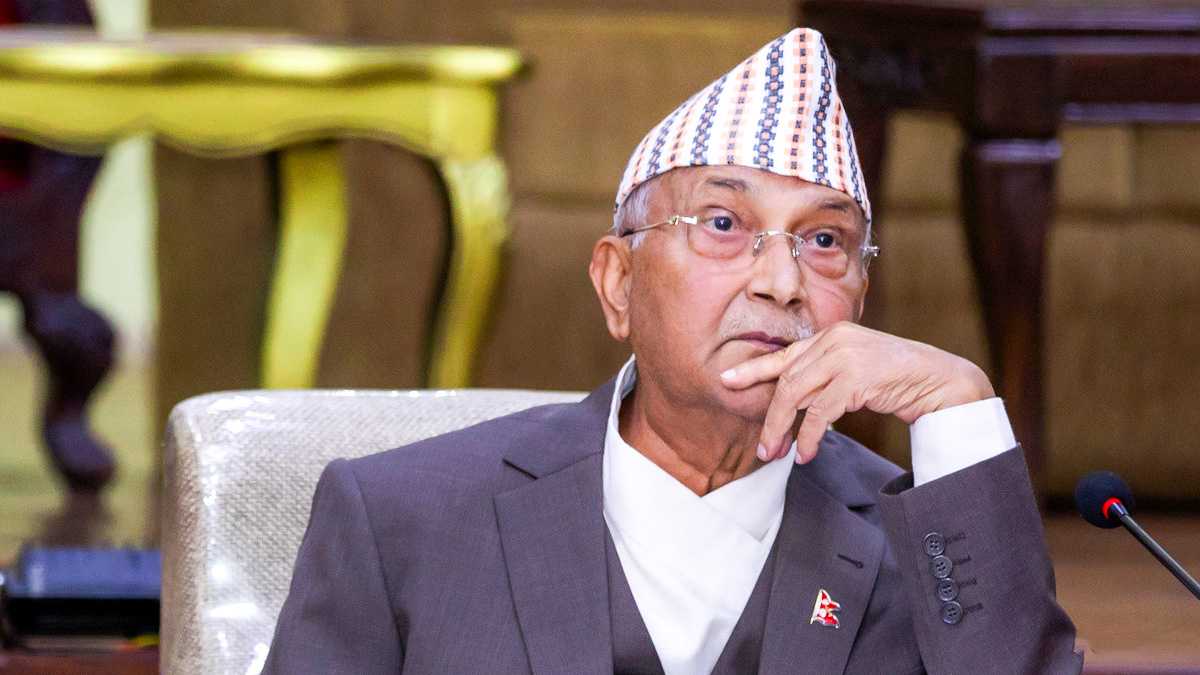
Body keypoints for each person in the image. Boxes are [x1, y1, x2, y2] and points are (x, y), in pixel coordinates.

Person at [263, 28, 1082, 674]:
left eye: (825, 241)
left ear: (860, 302)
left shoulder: (932, 550)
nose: (782, 282)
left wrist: (961, 410)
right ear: (618, 283)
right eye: (723, 224)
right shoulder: (402, 520)